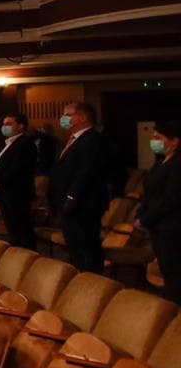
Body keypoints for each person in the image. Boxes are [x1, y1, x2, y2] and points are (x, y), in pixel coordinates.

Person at [50, 101, 111, 273]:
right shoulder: (73, 140)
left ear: (83, 117)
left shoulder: (92, 140)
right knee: (75, 248)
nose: (63, 118)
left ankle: (92, 282)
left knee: (86, 247)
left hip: (83, 204)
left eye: (68, 115)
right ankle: (80, 280)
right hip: (69, 203)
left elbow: (86, 172)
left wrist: (71, 198)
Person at [137, 120, 181, 304]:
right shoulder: (161, 160)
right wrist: (141, 215)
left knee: (175, 275)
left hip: (172, 227)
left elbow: (171, 198)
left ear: (174, 141)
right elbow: (150, 192)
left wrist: (146, 218)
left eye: (158, 137)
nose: (153, 141)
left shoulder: (178, 163)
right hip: (158, 227)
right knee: (168, 272)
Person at [0, 112, 38, 249]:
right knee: (13, 229)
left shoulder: (25, 143)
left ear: (21, 126)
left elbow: (18, 169)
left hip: (17, 192)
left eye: (9, 124)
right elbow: (0, 166)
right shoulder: (9, 143)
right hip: (5, 191)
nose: (4, 127)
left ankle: (27, 256)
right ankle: (17, 254)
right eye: (4, 124)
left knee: (22, 229)